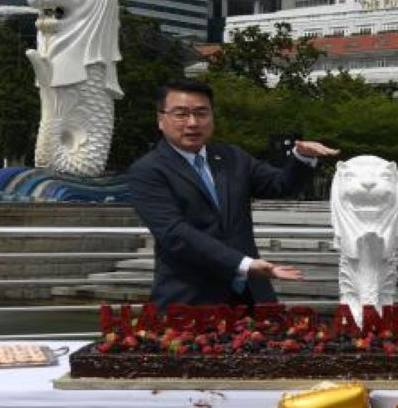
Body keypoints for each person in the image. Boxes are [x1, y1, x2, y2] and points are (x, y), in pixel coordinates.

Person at [126, 79, 338, 306]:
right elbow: (175, 233)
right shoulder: (148, 170)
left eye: (201, 113)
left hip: (252, 297)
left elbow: (281, 186)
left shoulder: (232, 157)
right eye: (181, 114)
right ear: (161, 120)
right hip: (191, 299)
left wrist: (302, 158)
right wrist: (244, 264)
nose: (193, 122)